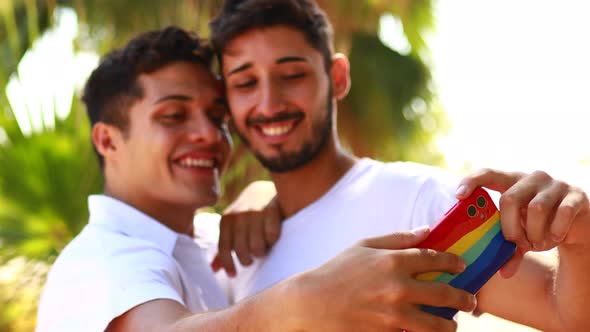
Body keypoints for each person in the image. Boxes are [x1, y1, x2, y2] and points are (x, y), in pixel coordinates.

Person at [35, 26, 475, 332]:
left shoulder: (208, 239)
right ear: (108, 141)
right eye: (173, 116)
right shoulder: (100, 262)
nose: (209, 135)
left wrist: (262, 196)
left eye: (217, 116)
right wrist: (308, 298)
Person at [209, 1, 590, 331]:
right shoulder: (234, 245)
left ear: (337, 77)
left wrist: (581, 239)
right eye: (245, 84)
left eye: (292, 75)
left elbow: (565, 316)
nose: (269, 102)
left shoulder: (417, 197)